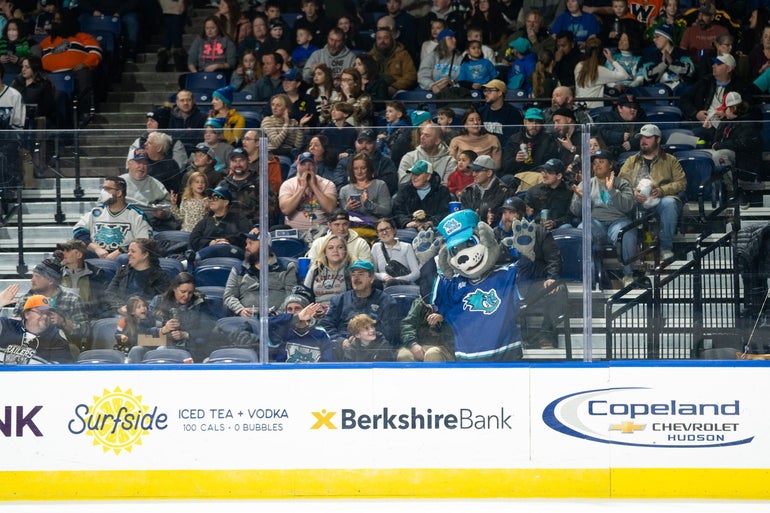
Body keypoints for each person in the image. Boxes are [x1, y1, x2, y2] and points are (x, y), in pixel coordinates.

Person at [491, 196, 567, 348]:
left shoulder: (539, 232)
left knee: (558, 290)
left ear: (521, 214)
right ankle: (501, 339)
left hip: (532, 282)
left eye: (511, 212)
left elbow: (553, 257)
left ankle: (546, 335)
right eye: (504, 212)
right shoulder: (494, 235)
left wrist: (551, 278)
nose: (507, 216)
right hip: (503, 286)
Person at [618, 124, 686, 260]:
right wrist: (633, 193)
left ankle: (666, 248)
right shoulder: (631, 161)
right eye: (641, 137)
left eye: (648, 137)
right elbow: (620, 182)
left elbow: (681, 183)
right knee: (624, 203)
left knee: (669, 203)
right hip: (638, 201)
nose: (643, 141)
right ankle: (633, 251)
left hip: (661, 200)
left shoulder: (670, 160)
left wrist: (662, 190)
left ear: (658, 139)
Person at [570, 149, 638, 286]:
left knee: (626, 232)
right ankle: (590, 277)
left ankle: (628, 275)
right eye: (594, 163)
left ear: (611, 165)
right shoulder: (585, 184)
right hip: (595, 223)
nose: (597, 165)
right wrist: (580, 199)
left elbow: (628, 206)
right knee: (582, 229)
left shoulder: (622, 183)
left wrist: (612, 190)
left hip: (618, 222)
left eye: (601, 162)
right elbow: (575, 212)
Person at [320, 259, 399, 350]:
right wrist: (341, 341)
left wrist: (363, 340)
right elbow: (326, 325)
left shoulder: (386, 301)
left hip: (374, 350)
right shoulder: (339, 300)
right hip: (343, 349)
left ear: (371, 278)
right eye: (353, 274)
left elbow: (390, 332)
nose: (356, 278)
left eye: (361, 274)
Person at [39, 11, 100, 124]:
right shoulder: (47, 41)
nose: (55, 22)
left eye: (59, 20)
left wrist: (85, 63)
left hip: (74, 74)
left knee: (84, 74)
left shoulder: (82, 37)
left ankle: (84, 113)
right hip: (49, 76)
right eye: (54, 20)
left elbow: (95, 52)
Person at [13, 258, 88, 348]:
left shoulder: (72, 300)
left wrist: (63, 323)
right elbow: (14, 328)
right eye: (32, 276)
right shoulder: (25, 300)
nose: (32, 280)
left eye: (37, 277)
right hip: (29, 347)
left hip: (62, 348)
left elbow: (85, 331)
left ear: (50, 281)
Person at [143, 272, 216, 362]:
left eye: (190, 293)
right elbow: (143, 335)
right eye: (183, 292)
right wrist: (162, 330)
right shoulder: (158, 301)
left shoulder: (199, 303)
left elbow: (209, 328)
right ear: (174, 288)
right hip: (158, 343)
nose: (186, 296)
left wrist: (186, 334)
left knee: (164, 349)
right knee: (137, 349)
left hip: (189, 348)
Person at [224, 227, 298, 317]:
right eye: (246, 243)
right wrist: (240, 310)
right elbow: (229, 296)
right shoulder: (238, 269)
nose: (246, 247)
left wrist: (277, 314)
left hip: (277, 320)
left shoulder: (286, 267)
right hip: (247, 320)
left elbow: (291, 296)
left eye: (251, 243)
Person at [73, 176, 151, 259]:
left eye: (107, 189)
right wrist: (97, 248)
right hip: (96, 253)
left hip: (123, 256)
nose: (103, 192)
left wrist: (119, 252)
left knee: (123, 258)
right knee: (75, 254)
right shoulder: (96, 211)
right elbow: (78, 231)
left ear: (119, 193)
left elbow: (143, 241)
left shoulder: (136, 214)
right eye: (103, 188)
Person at [680, 53, 753, 140]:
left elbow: (747, 108)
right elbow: (684, 99)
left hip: (729, 127)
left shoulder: (741, 86)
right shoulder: (705, 82)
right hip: (705, 125)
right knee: (692, 134)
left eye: (718, 64)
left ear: (729, 69)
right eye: (714, 64)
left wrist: (727, 113)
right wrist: (696, 114)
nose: (713, 66)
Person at [0, 287, 75, 363]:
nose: (45, 316)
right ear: (27, 314)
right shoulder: (6, 325)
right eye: (41, 312)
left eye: (48, 313)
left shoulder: (55, 337)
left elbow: (63, 368)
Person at [104, 238, 171, 315]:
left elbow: (162, 300)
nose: (128, 254)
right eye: (128, 251)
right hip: (122, 313)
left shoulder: (160, 276)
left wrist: (139, 309)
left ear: (145, 255)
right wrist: (119, 307)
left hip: (146, 315)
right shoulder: (123, 271)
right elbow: (109, 292)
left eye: (133, 251)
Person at [279, 151, 338, 232]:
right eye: (303, 164)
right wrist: (302, 188)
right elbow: (285, 210)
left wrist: (314, 186)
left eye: (311, 164)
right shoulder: (288, 184)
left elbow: (330, 209)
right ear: (297, 166)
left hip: (321, 232)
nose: (307, 168)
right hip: (294, 233)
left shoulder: (328, 184)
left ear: (316, 166)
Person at [217, 147, 277, 226]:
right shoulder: (223, 184)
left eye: (241, 160)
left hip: (254, 228)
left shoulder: (261, 182)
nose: (238, 164)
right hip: (227, 228)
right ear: (230, 163)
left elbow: (269, 209)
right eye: (234, 161)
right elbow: (217, 208)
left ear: (248, 161)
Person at [121, 149, 177, 232]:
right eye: (138, 163)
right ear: (129, 164)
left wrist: (163, 213)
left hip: (150, 224)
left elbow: (168, 205)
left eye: (145, 163)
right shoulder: (119, 182)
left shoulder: (155, 184)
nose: (142, 166)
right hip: (123, 222)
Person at [268, 294, 334, 362]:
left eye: (297, 308)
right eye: (289, 309)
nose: (293, 312)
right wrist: (297, 317)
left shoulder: (320, 332)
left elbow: (328, 360)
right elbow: (266, 324)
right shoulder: (281, 331)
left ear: (307, 310)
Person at [57, 239, 111, 320]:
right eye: (62, 250)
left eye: (67, 250)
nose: (63, 253)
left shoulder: (96, 274)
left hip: (89, 319)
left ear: (78, 255)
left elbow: (104, 302)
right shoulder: (57, 273)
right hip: (60, 319)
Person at [335, 128, 399, 196]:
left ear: (375, 144)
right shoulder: (345, 162)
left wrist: (366, 195)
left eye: (368, 142)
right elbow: (339, 184)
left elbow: (389, 186)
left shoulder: (386, 162)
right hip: (350, 199)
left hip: (376, 200)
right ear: (355, 143)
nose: (363, 146)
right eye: (360, 142)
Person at [502, 107, 561, 179]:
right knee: (507, 179)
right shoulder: (514, 139)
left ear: (542, 124)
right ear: (524, 122)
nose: (534, 125)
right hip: (517, 176)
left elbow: (551, 165)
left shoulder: (549, 141)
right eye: (530, 121)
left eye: (538, 122)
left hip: (539, 176)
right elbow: (504, 167)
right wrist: (515, 160)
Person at [189, 186, 251, 252]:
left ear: (226, 202)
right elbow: (193, 239)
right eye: (210, 198)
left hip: (232, 253)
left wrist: (228, 241)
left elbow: (246, 235)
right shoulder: (204, 221)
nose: (211, 200)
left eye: (216, 197)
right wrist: (210, 243)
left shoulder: (238, 218)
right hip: (207, 254)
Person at [392, 160, 451, 230]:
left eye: (417, 174)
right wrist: (406, 222)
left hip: (435, 228)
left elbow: (444, 212)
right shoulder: (404, 189)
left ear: (428, 176)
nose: (413, 177)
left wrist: (431, 222)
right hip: (410, 229)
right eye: (413, 174)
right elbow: (397, 212)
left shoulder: (442, 191)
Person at [574, 37, 631, 109]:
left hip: (578, 107)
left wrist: (612, 85)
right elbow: (625, 76)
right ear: (602, 52)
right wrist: (611, 59)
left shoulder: (579, 66)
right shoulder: (600, 70)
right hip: (594, 110)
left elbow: (596, 81)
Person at [460, 154, 515, 227]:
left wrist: (494, 220)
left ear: (489, 173)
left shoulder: (505, 192)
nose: (473, 174)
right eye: (473, 171)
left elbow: (509, 219)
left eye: (477, 171)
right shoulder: (467, 191)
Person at [525, 158, 576, 231]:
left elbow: (570, 216)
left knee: (566, 227)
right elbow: (527, 215)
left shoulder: (569, 192)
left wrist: (555, 223)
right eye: (543, 171)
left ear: (559, 176)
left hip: (559, 229)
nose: (544, 175)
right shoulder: (533, 191)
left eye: (549, 172)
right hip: (536, 229)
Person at [338, 153, 392, 221]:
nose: (359, 172)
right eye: (355, 168)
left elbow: (386, 211)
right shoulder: (344, 190)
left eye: (363, 168)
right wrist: (348, 208)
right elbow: (341, 217)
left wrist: (368, 204)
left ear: (369, 169)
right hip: (352, 226)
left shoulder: (380, 185)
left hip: (375, 226)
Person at [306, 209, 372, 263]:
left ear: (349, 224)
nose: (341, 228)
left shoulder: (361, 243)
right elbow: (312, 266)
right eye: (337, 225)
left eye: (345, 224)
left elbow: (367, 269)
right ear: (329, 225)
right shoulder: (319, 243)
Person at [368, 27, 417, 96]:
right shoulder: (369, 56)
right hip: (374, 90)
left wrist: (395, 87)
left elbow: (411, 75)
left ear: (392, 39)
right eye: (379, 38)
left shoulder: (403, 54)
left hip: (397, 90)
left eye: (386, 38)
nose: (382, 41)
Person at [303, 233, 350, 305]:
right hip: (317, 311)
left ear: (345, 251)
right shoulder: (315, 270)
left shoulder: (351, 270)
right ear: (325, 252)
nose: (335, 251)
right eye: (331, 248)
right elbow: (305, 294)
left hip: (344, 310)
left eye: (340, 247)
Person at [371, 217, 420, 285]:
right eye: (381, 230)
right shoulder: (376, 247)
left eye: (387, 228)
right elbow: (371, 272)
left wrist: (396, 280)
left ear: (394, 230)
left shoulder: (406, 246)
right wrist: (383, 276)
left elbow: (416, 273)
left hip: (404, 285)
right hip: (384, 287)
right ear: (378, 234)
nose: (384, 232)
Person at [477, 79, 523, 148]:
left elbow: (512, 139)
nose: (485, 94)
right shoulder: (480, 112)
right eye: (485, 91)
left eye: (490, 90)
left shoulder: (513, 113)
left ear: (499, 93)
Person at [417, 28, 462, 97]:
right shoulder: (431, 57)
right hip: (432, 93)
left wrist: (453, 83)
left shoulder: (460, 58)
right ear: (443, 41)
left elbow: (464, 77)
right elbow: (422, 76)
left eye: (454, 37)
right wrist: (432, 86)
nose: (454, 40)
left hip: (453, 93)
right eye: (450, 38)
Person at [241, 129, 282, 196]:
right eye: (243, 139)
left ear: (257, 143)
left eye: (247, 139)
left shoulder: (270, 162)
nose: (243, 142)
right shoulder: (238, 160)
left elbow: (275, 187)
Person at [261, 93, 303, 157]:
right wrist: (286, 124)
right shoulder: (267, 120)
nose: (274, 108)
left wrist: (300, 127)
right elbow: (276, 143)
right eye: (273, 105)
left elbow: (298, 146)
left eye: (278, 105)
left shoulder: (293, 122)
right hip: (271, 154)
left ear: (287, 108)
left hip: (289, 154)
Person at [167, 89, 208, 155]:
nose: (185, 103)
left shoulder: (203, 117)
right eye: (182, 100)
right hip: (175, 152)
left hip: (196, 152)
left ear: (193, 101)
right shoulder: (170, 117)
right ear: (177, 102)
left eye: (188, 100)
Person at [376, 99, 411, 165]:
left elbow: (397, 148)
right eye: (386, 111)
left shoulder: (404, 130)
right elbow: (378, 146)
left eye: (390, 111)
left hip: (395, 162)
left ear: (399, 114)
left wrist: (385, 139)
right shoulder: (386, 128)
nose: (387, 113)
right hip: (382, 159)